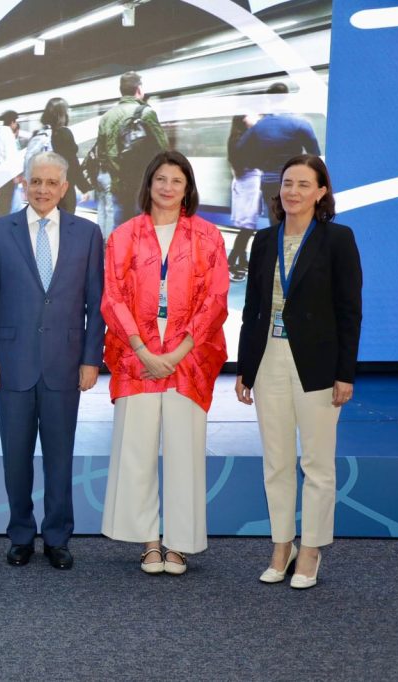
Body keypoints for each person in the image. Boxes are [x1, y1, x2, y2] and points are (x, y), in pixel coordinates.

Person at [236, 155, 361, 589]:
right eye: (288, 183)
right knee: (276, 461)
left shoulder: (338, 239)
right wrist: (245, 367)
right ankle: (281, 546)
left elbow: (349, 311)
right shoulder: (263, 240)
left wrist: (345, 373)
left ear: (321, 192)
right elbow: (252, 307)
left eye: (304, 184)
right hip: (268, 357)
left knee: (317, 462)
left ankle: (311, 550)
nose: (293, 192)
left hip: (318, 364)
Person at [100, 151, 229, 576]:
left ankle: (179, 544)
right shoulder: (123, 236)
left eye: (177, 180)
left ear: (187, 188)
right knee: (136, 451)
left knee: (184, 452)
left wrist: (175, 354)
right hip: (135, 356)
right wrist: (143, 351)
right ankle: (149, 543)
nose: (168, 187)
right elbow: (112, 297)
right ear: (149, 185)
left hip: (188, 358)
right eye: (161, 179)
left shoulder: (208, 236)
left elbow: (215, 299)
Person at [0, 152, 104, 569]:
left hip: (65, 364)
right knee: (16, 457)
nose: (42, 190)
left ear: (64, 188)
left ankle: (57, 537)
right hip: (11, 363)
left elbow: (96, 302)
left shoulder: (88, 234)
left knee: (60, 457)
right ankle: (20, 535)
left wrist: (91, 359)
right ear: (24, 184)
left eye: (51, 183)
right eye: (35, 181)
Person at [94, 71, 168, 239]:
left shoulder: (106, 117)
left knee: (119, 228)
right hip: (140, 181)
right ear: (139, 89)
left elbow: (101, 151)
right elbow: (163, 146)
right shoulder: (146, 113)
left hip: (116, 182)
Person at [237, 82, 321, 219]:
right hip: (295, 184)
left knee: (276, 223)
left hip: (269, 183)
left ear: (269, 100)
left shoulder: (259, 126)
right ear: (287, 97)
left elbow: (240, 150)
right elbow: (315, 154)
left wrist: (257, 163)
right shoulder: (300, 124)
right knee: (296, 222)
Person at [30, 97, 90, 215]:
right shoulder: (64, 134)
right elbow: (73, 164)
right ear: (61, 114)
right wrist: (84, 188)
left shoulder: (39, 134)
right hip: (63, 192)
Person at [227, 114, 262, 281]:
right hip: (248, 184)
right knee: (247, 227)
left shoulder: (237, 138)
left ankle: (242, 261)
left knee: (248, 225)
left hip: (247, 183)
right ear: (243, 119)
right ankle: (230, 263)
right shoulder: (243, 139)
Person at [0, 110, 21, 217]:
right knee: (6, 203)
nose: (16, 125)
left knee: (2, 201)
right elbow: (10, 157)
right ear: (12, 122)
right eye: (16, 122)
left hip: (0, 172)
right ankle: (1, 224)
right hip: (7, 173)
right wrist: (14, 176)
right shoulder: (8, 134)